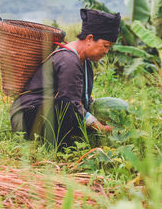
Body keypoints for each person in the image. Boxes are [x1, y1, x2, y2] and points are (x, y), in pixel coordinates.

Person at [10, 9, 121, 148]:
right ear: (90, 39)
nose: (106, 52)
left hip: (43, 113)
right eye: (105, 46)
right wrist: (98, 126)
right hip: (26, 117)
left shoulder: (84, 61)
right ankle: (62, 147)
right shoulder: (68, 60)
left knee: (72, 108)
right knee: (67, 105)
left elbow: (82, 99)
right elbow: (70, 103)